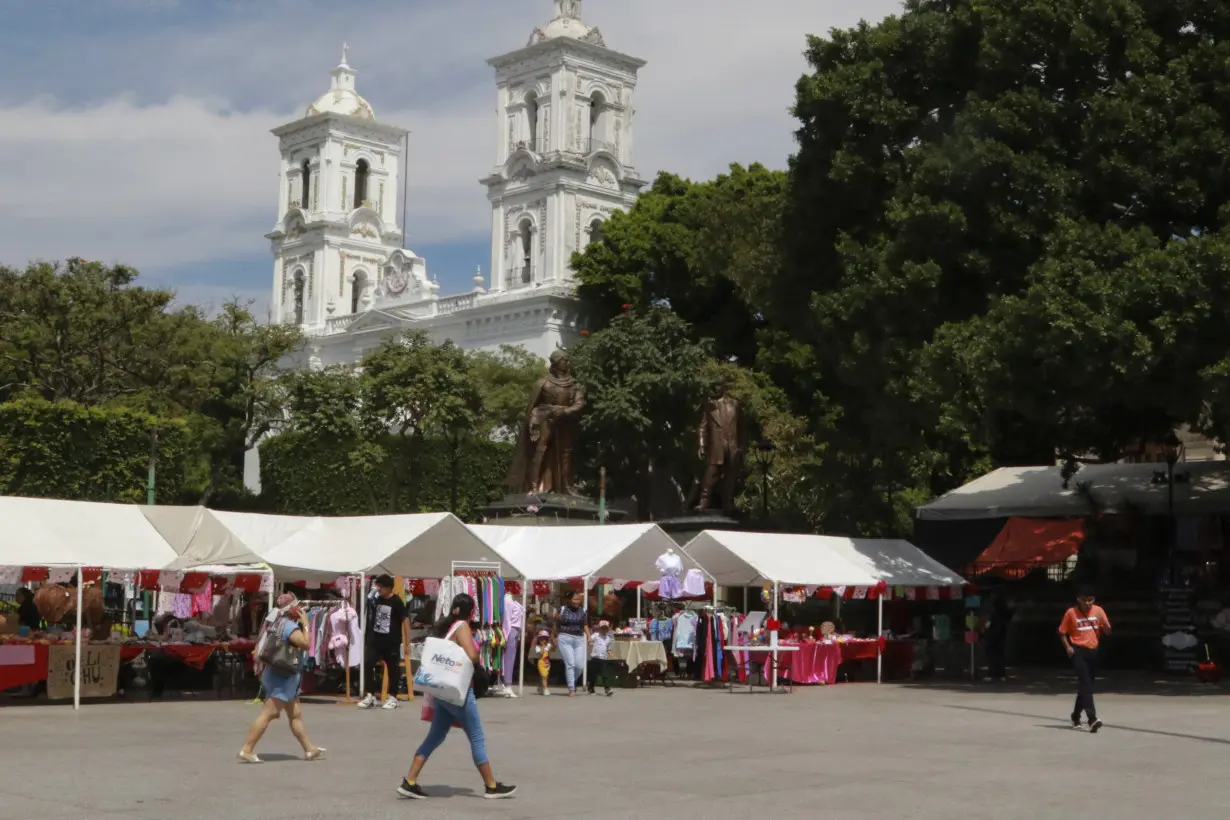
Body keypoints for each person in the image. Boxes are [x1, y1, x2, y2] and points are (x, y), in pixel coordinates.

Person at [398, 594, 516, 800]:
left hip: (442, 692)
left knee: (435, 737)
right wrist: (477, 660)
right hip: (459, 692)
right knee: (477, 737)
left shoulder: (446, 626)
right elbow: (471, 655)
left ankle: (410, 781)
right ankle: (491, 786)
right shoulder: (462, 626)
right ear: (471, 612)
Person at [239, 594, 325, 763]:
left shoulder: (276, 622)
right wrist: (307, 625)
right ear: (292, 609)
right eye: (298, 606)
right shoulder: (289, 627)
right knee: (268, 714)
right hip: (282, 677)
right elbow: (305, 644)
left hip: (281, 674)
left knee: (295, 715)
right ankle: (246, 749)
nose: (301, 609)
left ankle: (309, 749)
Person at [1059, 586, 1111, 732]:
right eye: (1084, 600)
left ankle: (1075, 715)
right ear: (1078, 599)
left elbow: (1106, 628)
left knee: (1086, 687)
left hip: (1093, 651)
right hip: (1078, 651)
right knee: (1086, 683)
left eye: (1090, 600)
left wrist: (1107, 628)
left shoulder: (1099, 611)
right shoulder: (1071, 613)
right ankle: (1092, 718)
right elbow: (1062, 632)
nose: (1087, 603)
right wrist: (1068, 647)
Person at [359, 574, 410, 710]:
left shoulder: (397, 601)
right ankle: (370, 695)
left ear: (388, 588)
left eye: (381, 587)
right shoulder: (377, 599)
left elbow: (405, 620)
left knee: (393, 669)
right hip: (376, 640)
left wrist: (406, 642)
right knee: (369, 663)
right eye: (378, 586)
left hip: (391, 641)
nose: (378, 589)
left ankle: (393, 697)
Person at [553, 590, 589, 696]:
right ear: (569, 600)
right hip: (565, 638)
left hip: (579, 639)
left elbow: (585, 624)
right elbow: (556, 624)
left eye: (578, 599)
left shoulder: (583, 610)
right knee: (570, 664)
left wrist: (589, 637)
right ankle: (571, 688)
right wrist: (553, 636)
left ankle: (572, 681)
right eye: (574, 599)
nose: (577, 601)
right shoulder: (562, 609)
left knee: (579, 665)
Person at [985, 593, 1014, 681]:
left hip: (994, 632)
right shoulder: (1004, 610)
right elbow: (1009, 616)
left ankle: (993, 673)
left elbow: (991, 621)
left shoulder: (994, 612)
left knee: (993, 654)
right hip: (1001, 632)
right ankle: (1001, 674)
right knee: (1000, 654)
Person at [587, 620, 615, 696]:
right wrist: (590, 642)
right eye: (602, 628)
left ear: (608, 629)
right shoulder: (596, 635)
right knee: (593, 675)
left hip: (603, 659)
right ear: (599, 628)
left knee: (604, 674)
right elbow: (589, 640)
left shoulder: (608, 639)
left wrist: (611, 654)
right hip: (595, 658)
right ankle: (591, 688)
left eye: (606, 628)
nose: (604, 630)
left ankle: (607, 688)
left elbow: (608, 648)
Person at [534, 631, 553, 696]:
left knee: (545, 677)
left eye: (544, 639)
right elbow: (541, 653)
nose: (543, 640)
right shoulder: (537, 647)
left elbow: (553, 650)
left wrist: (551, 645)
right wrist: (543, 646)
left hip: (547, 663)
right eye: (541, 639)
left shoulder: (548, 645)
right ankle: (545, 689)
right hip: (541, 663)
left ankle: (541, 687)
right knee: (544, 676)